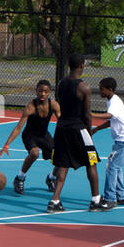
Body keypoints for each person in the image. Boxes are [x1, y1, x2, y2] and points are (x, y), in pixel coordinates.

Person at [48, 53, 103, 213]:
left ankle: (55, 200)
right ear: (82, 66)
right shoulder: (83, 86)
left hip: (62, 128)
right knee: (91, 162)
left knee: (63, 164)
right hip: (78, 129)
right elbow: (87, 114)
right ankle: (95, 200)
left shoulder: (61, 83)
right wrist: (89, 132)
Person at [0, 80, 59, 194]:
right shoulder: (31, 107)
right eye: (40, 91)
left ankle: (51, 178)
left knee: (61, 156)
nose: (43, 94)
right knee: (34, 153)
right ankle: (20, 178)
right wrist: (6, 144)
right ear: (36, 91)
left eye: (46, 91)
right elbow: (18, 128)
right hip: (30, 136)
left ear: (50, 92)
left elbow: (62, 122)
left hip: (44, 135)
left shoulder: (53, 105)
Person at [92, 77, 124, 211]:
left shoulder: (114, 102)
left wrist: (92, 115)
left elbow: (109, 116)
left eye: (102, 89)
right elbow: (112, 120)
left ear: (110, 90)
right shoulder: (111, 101)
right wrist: (96, 129)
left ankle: (110, 199)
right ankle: (121, 196)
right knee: (115, 167)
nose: (100, 91)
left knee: (111, 166)